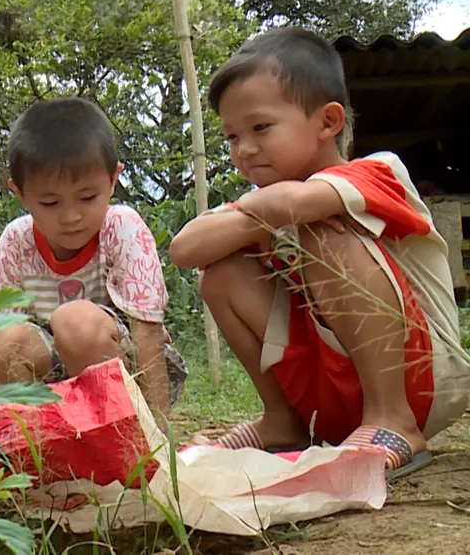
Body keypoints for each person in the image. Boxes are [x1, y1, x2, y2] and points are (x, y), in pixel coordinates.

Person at [170, 27, 470, 479]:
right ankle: (282, 422)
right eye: (232, 137)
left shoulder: (377, 172)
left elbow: (298, 204)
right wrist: (254, 217)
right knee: (221, 274)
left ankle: (393, 420)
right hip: (329, 402)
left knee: (318, 229)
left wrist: (246, 217)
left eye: (260, 128)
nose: (244, 150)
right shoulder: (265, 200)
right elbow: (185, 248)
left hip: (419, 383)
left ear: (328, 122)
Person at [0, 98, 188, 426]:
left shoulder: (121, 227)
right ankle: (45, 441)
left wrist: (157, 434)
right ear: (20, 193)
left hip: (127, 368)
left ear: (113, 179)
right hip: (52, 368)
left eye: (88, 197)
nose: (71, 216)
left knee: (75, 323)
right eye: (50, 202)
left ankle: (122, 435)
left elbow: (146, 332)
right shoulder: (16, 241)